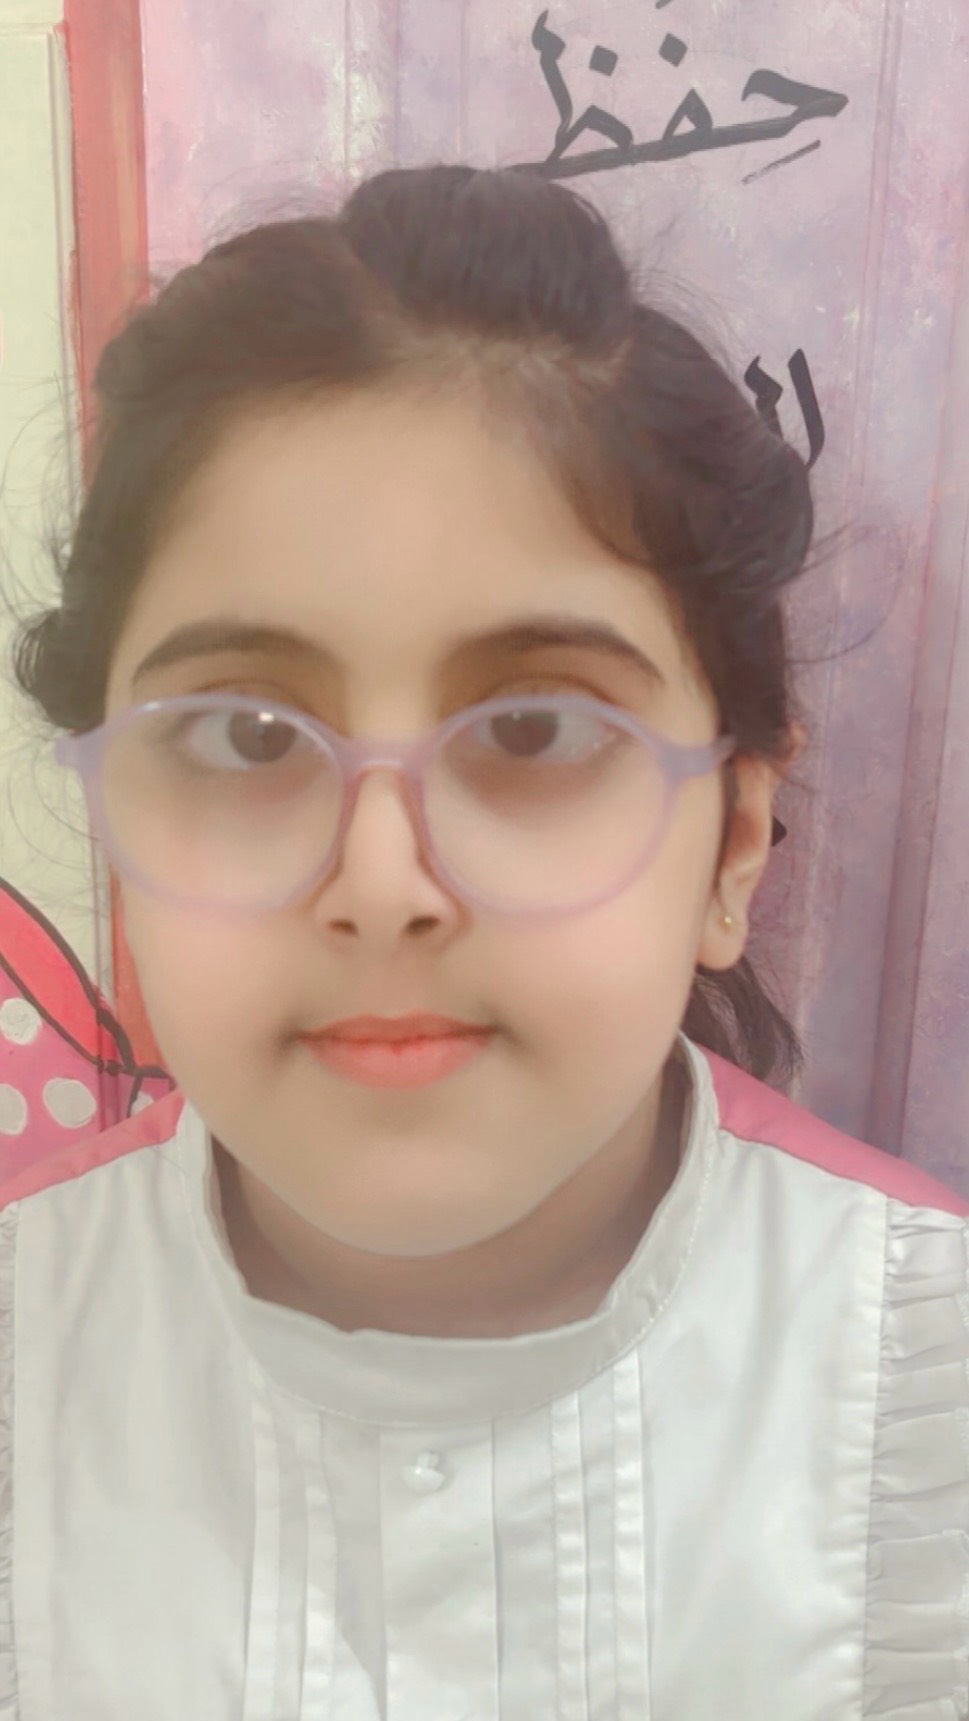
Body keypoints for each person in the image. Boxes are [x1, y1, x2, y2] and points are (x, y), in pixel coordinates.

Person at [3, 164, 966, 1720]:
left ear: (731, 842)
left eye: (529, 728)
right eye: (249, 735)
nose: (383, 882)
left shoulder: (933, 1397)